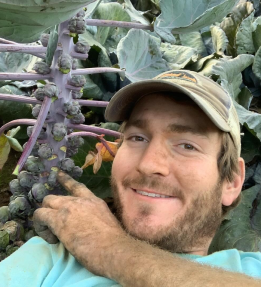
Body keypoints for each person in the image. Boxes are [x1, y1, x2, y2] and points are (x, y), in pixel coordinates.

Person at [1, 70, 261, 287]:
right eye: (137, 138)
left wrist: (111, 248)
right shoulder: (45, 258)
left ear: (232, 182)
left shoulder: (251, 271)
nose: (149, 164)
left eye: (187, 145)